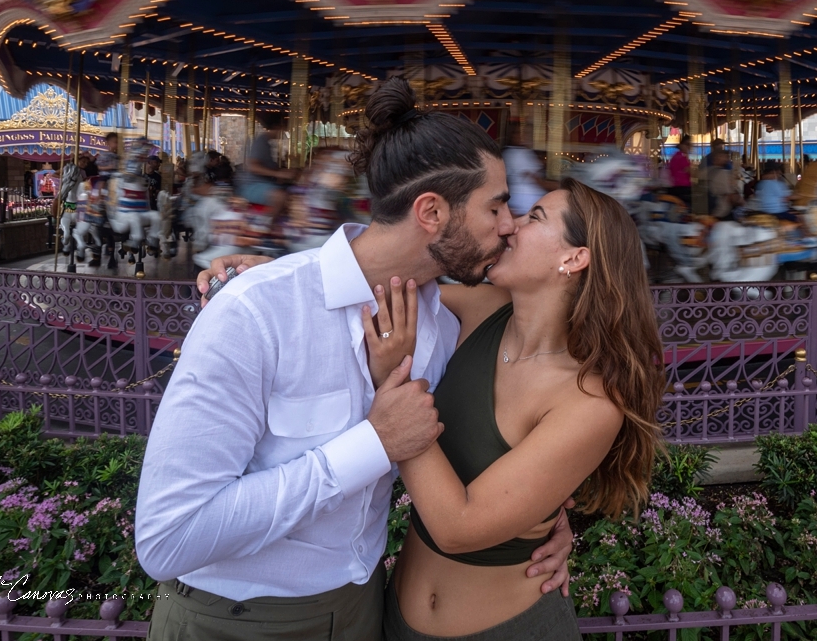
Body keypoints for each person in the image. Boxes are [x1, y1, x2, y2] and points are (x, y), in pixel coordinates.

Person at [138, 78, 572, 641]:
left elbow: (501, 440)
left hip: (365, 606)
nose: (509, 224)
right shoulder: (257, 312)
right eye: (495, 207)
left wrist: (546, 522)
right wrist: (374, 444)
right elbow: (167, 537)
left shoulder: (443, 325)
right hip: (234, 619)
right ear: (432, 212)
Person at [380, 178, 662, 640]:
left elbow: (457, 527)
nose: (509, 226)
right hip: (395, 619)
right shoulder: (483, 309)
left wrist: (393, 389)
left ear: (574, 258)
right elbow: (371, 294)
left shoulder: (590, 401)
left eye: (534, 218)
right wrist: (269, 271)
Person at [240, 112, 296, 212]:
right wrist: (278, 174)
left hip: (266, 184)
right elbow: (253, 167)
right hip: (253, 185)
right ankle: (267, 220)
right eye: (283, 127)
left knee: (295, 194)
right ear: (277, 127)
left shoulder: (267, 143)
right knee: (280, 196)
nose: (283, 131)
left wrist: (284, 172)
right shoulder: (261, 141)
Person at [502, 140, 553, 218]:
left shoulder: (509, 152)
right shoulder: (520, 154)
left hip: (519, 199)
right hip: (525, 200)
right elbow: (535, 178)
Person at [707, 148, 743, 219]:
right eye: (726, 157)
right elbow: (731, 196)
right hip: (721, 212)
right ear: (717, 158)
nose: (727, 159)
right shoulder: (723, 173)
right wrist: (742, 202)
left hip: (707, 212)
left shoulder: (705, 171)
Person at [665, 134, 692, 204]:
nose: (689, 147)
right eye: (688, 145)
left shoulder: (676, 156)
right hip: (682, 187)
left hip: (676, 186)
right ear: (682, 145)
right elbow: (690, 171)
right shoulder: (681, 157)